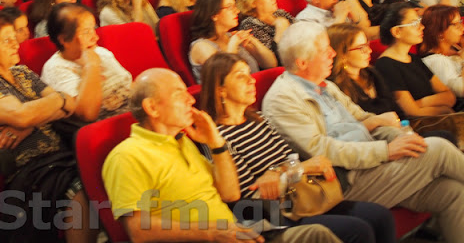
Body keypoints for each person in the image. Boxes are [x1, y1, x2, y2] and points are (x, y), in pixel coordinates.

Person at [262, 20, 464, 243]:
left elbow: (364, 119)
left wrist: (400, 138)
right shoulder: (282, 100)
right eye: (324, 50)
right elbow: (322, 151)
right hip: (343, 180)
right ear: (302, 62)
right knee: (438, 148)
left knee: (452, 191)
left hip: (371, 163)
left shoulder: (325, 85)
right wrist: (386, 151)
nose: (332, 53)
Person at [102, 66, 341, 243]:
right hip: (207, 239)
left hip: (236, 233)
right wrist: (210, 233)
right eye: (179, 94)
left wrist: (216, 144)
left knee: (318, 235)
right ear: (152, 108)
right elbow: (138, 230)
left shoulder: (184, 142)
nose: (190, 99)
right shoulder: (127, 156)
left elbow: (229, 193)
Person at [200, 52, 397, 243]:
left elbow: (291, 158)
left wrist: (281, 172)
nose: (251, 81)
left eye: (249, 75)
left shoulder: (259, 119)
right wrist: (298, 169)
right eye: (240, 77)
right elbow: (252, 192)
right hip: (275, 212)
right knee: (357, 229)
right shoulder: (218, 137)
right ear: (220, 89)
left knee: (380, 216)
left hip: (302, 192)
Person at [0, 11, 98, 243]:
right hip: (21, 169)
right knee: (81, 186)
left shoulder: (21, 73)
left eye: (14, 37)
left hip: (56, 157)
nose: (15, 44)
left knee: (103, 168)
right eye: (6, 40)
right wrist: (42, 110)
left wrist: (34, 120)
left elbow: (69, 103)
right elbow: (21, 115)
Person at [41, 3, 131, 121]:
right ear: (64, 40)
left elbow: (128, 85)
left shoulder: (101, 52)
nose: (95, 37)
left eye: (93, 29)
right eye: (86, 32)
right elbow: (87, 114)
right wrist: (91, 66)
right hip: (110, 126)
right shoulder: (56, 69)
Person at [375, 3, 460, 117]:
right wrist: (444, 110)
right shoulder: (386, 65)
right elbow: (411, 112)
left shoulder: (413, 58)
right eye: (415, 23)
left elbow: (449, 96)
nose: (422, 27)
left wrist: (420, 103)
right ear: (397, 32)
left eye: (419, 21)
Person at [189, 0, 277, 82]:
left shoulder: (233, 37)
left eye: (235, 6)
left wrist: (254, 42)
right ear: (214, 15)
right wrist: (233, 44)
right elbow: (226, 77)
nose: (237, 11)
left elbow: (271, 64)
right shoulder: (201, 46)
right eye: (230, 7)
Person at [328, 24, 402, 116]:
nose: (369, 50)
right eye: (361, 48)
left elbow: (394, 108)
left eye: (367, 44)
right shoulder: (335, 85)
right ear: (342, 54)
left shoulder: (371, 73)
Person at [237, 0, 293, 65]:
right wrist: (281, 27)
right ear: (252, 2)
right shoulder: (249, 26)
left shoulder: (279, 13)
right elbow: (278, 62)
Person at [420, 5, 464, 97]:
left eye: (460, 22)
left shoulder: (453, 55)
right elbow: (460, 91)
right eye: (456, 25)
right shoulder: (436, 61)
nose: (462, 28)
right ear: (439, 33)